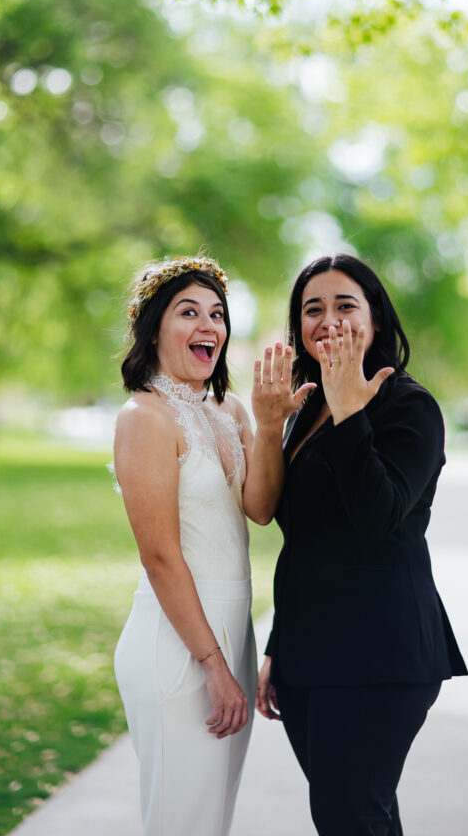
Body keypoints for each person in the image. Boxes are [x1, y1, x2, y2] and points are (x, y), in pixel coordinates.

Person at [254, 253, 468, 836]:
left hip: (381, 653)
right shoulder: (309, 405)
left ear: (376, 318)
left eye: (345, 305)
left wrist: (353, 409)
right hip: (308, 655)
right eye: (311, 309)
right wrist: (279, 644)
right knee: (361, 816)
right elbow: (298, 536)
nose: (329, 320)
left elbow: (379, 517)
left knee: (348, 816)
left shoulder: (409, 405)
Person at [111, 255, 311, 836]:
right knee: (181, 822)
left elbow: (261, 507)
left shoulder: (229, 410)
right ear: (153, 329)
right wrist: (212, 665)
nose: (210, 326)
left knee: (210, 822)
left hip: (233, 635)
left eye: (218, 314)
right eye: (189, 312)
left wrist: (270, 426)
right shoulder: (144, 416)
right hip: (179, 644)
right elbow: (160, 558)